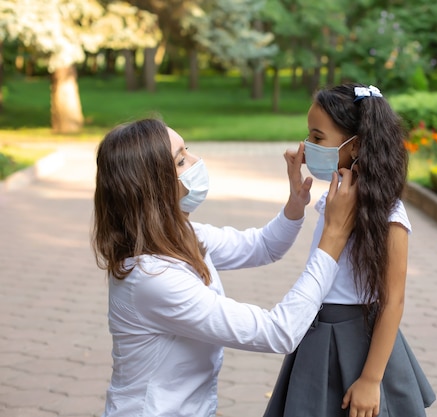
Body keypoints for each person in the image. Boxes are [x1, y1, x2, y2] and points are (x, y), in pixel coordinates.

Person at [91, 118, 358, 417]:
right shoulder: (153, 278)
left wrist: (296, 203)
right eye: (180, 161)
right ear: (150, 187)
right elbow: (278, 331)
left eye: (187, 151)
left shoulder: (182, 236)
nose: (196, 161)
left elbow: (262, 246)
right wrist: (333, 237)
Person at [263, 83, 436, 417]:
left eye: (316, 137)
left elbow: (393, 301)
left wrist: (371, 379)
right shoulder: (332, 199)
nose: (305, 146)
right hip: (314, 337)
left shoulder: (388, 216)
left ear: (353, 146)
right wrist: (295, 196)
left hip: (361, 346)